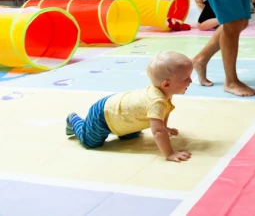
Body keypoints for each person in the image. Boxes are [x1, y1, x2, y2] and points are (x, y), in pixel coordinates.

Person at [65, 51, 193, 163]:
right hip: (103, 115)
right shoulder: (156, 101)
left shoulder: (165, 94)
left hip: (121, 115)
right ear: (166, 84)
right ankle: (74, 120)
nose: (191, 81)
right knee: (90, 142)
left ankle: (122, 130)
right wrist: (169, 153)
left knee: (132, 136)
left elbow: (164, 113)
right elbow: (158, 131)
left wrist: (165, 127)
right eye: (186, 78)